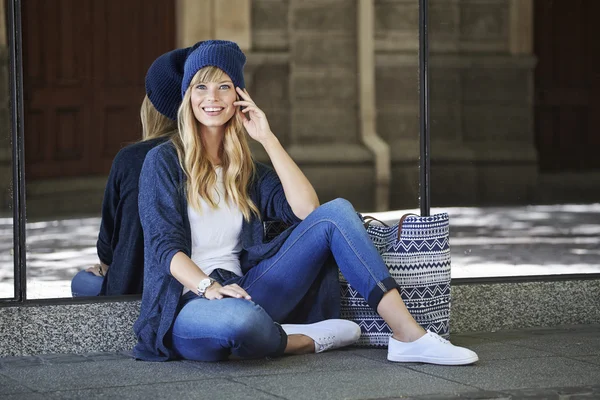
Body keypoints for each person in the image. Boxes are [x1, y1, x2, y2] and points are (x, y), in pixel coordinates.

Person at [133, 40, 478, 365]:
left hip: (249, 289)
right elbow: (165, 248)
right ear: (187, 96)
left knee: (336, 212)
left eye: (224, 86)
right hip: (188, 303)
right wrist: (210, 287)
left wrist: (267, 139)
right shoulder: (163, 162)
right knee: (239, 324)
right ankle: (296, 340)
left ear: (239, 95)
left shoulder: (246, 171)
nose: (213, 97)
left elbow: (307, 210)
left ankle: (407, 335)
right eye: (201, 87)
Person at [70, 44, 200, 297]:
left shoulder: (133, 158)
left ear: (152, 106)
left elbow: (107, 248)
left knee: (82, 282)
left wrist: (106, 268)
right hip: (201, 285)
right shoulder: (219, 156)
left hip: (135, 293)